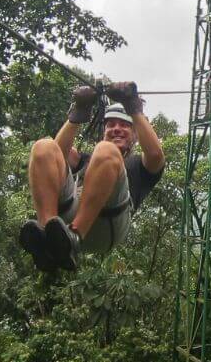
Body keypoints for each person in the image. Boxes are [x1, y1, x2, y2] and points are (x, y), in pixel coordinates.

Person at [22, 82, 166, 271]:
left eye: (124, 126)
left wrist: (133, 107)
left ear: (135, 135)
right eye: (111, 125)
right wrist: (79, 112)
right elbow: (57, 154)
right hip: (67, 218)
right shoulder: (87, 159)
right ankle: (47, 232)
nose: (116, 129)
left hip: (107, 226)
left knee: (106, 150)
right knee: (43, 147)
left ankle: (74, 237)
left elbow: (156, 155)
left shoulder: (140, 165)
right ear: (104, 130)